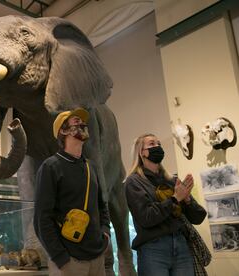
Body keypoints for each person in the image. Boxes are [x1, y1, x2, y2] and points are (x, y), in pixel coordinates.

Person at [33, 108, 111, 276]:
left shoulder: (91, 167)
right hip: (70, 263)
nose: (82, 123)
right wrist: (60, 258)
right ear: (63, 130)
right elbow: (41, 218)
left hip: (97, 259)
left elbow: (101, 205)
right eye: (75, 121)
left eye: (82, 122)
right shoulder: (51, 167)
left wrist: (105, 233)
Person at [125, 133, 207, 276]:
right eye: (151, 144)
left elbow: (198, 217)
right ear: (141, 152)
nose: (158, 146)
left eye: (159, 143)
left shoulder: (172, 180)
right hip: (153, 249)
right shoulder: (133, 182)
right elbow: (146, 217)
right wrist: (175, 199)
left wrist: (187, 199)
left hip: (181, 245)